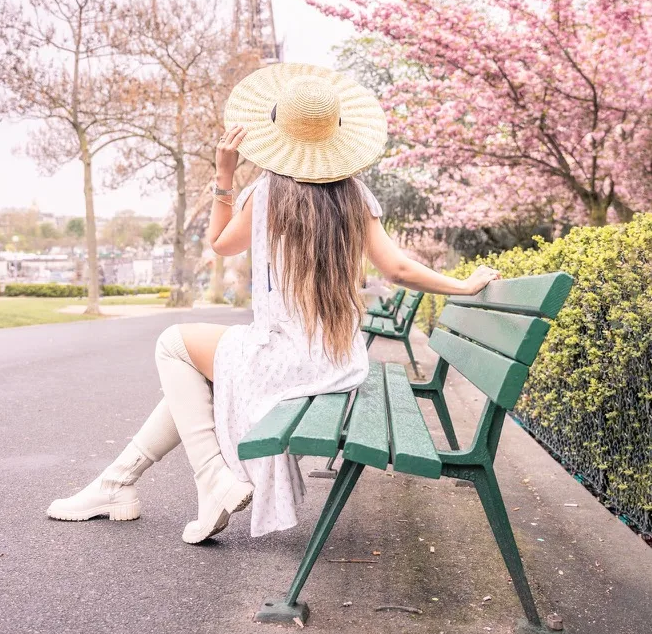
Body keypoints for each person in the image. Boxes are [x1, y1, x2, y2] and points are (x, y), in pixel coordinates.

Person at [47, 63, 499, 542]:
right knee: (196, 378)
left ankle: (213, 479)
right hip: (340, 361)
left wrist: (224, 175)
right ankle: (116, 484)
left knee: (173, 344)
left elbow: (220, 243)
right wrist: (464, 284)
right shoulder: (355, 196)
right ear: (335, 136)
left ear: (278, 131)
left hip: (286, 359)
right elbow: (398, 270)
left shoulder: (265, 194)